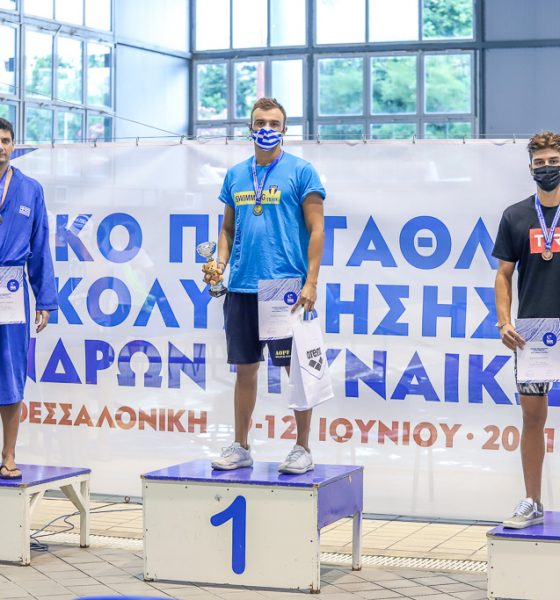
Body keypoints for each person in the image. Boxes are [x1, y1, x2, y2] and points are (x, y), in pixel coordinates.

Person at [203, 98, 325, 474]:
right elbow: (227, 229)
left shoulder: (302, 172)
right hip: (242, 285)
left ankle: (302, 448)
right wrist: (219, 265)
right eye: (260, 122)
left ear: (284, 129)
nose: (267, 128)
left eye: (274, 123)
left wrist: (311, 282)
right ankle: (241, 446)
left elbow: (317, 229)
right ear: (250, 128)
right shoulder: (236, 175)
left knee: (295, 372)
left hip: (283, 287)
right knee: (245, 370)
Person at [493, 130, 560, 528]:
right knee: (533, 418)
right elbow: (503, 275)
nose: (547, 168)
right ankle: (532, 502)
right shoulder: (515, 215)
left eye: (553, 162)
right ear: (530, 167)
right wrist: (504, 321)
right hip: (534, 333)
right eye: (540, 163)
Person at [0, 118, 57, 479]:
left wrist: (45, 299)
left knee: (11, 373)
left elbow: (39, 245)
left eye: (6, 140)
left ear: (14, 145)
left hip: (10, 289)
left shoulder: (29, 189)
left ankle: (8, 455)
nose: (0, 147)